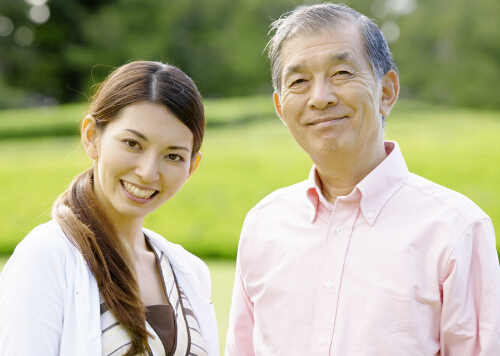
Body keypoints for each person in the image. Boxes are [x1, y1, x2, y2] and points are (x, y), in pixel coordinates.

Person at [225, 3, 500, 356]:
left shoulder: (456, 230)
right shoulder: (263, 225)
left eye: (341, 73)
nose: (320, 98)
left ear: (386, 91)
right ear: (281, 107)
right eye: (299, 82)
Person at [0, 61, 218, 356]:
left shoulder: (190, 272)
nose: (148, 172)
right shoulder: (48, 256)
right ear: (92, 136)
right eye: (132, 143)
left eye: (173, 156)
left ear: (192, 167)